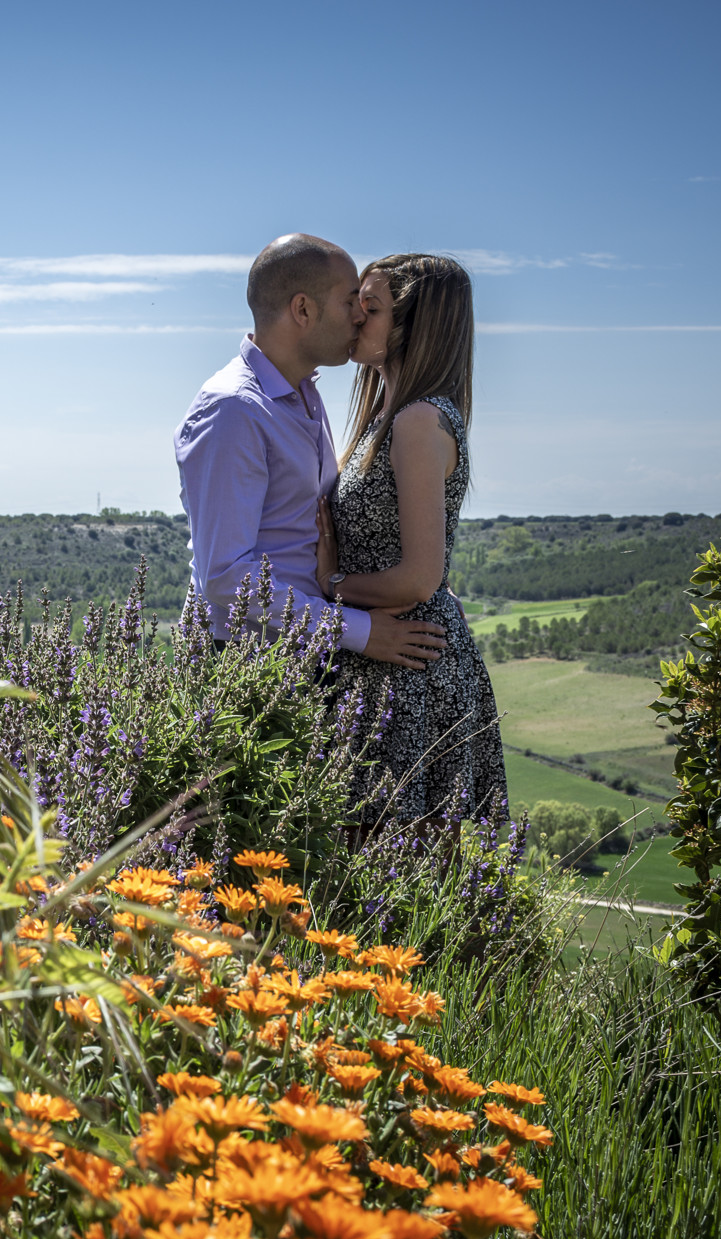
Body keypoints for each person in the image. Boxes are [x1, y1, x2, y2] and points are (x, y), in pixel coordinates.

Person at [174, 234, 447, 669]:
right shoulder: (234, 410)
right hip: (243, 669)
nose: (361, 315)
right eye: (350, 302)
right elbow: (225, 578)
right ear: (303, 309)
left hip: (296, 657)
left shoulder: (302, 394)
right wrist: (360, 631)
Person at [314, 253, 506, 826]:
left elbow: (420, 578)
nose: (355, 319)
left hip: (411, 671)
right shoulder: (393, 416)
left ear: (412, 327)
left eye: (369, 309)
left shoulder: (418, 421)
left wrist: (331, 584)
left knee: (401, 878)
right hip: (388, 658)